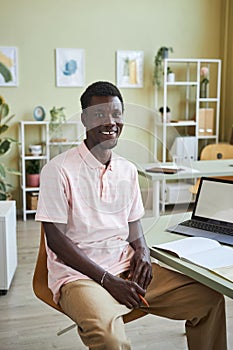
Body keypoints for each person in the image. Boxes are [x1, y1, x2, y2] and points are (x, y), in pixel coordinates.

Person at [35, 81, 227, 350]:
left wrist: (144, 254)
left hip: (126, 268)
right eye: (99, 114)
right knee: (110, 339)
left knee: (209, 301)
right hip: (79, 277)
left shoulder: (126, 170)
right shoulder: (58, 170)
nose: (110, 121)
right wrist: (107, 281)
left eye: (116, 113)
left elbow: (134, 227)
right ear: (84, 119)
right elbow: (55, 240)